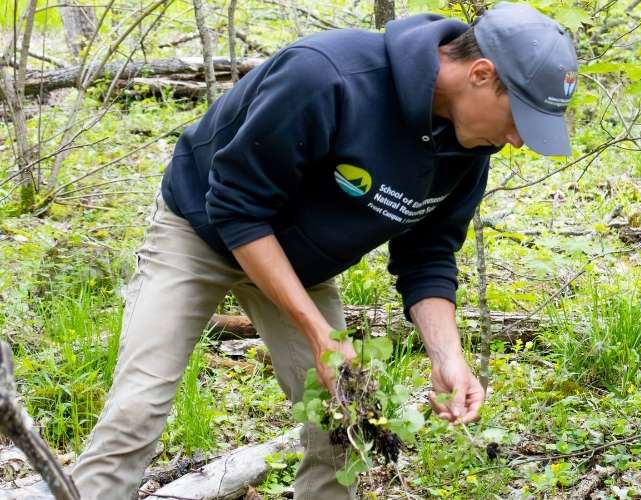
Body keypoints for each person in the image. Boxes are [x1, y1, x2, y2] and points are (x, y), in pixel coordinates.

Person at [69, 2, 577, 498]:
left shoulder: (468, 146)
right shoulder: (329, 77)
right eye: (519, 119)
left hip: (301, 262)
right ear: (482, 74)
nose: (516, 141)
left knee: (341, 423)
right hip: (198, 232)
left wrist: (447, 356)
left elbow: (428, 253)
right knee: (136, 411)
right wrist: (320, 334)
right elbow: (237, 207)